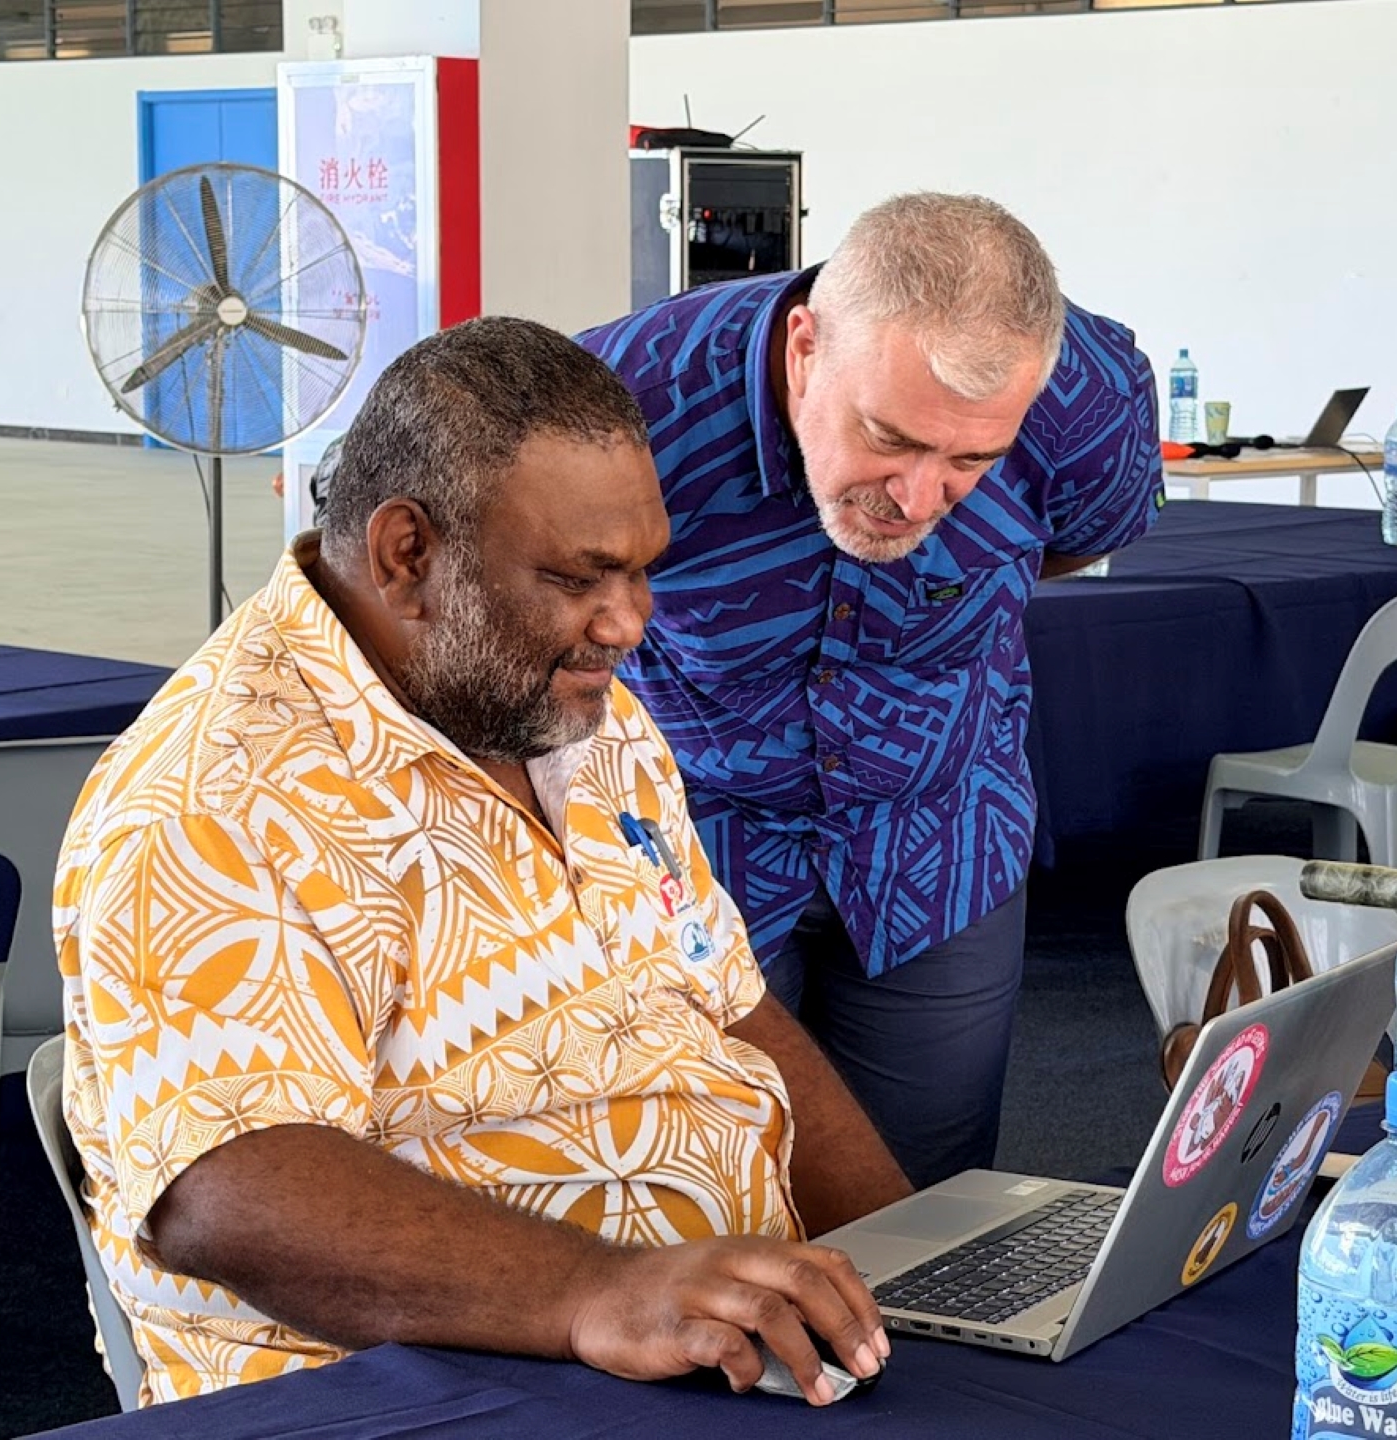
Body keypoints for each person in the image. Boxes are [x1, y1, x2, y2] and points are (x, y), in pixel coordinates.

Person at [56, 317, 909, 1407]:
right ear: (407, 554)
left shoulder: (584, 722)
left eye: (645, 572)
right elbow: (230, 1186)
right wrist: (601, 1295)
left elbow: (733, 1011)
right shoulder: (213, 795)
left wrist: (917, 1254)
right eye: (579, 578)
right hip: (421, 1385)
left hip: (706, 1343)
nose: (628, 623)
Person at [580, 193, 1164, 1189]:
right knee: (702, 1194)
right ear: (805, 349)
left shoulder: (1090, 400)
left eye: (972, 459)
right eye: (889, 438)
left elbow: (1078, 540)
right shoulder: (619, 404)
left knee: (922, 1204)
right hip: (690, 839)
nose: (917, 499)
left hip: (937, 835)